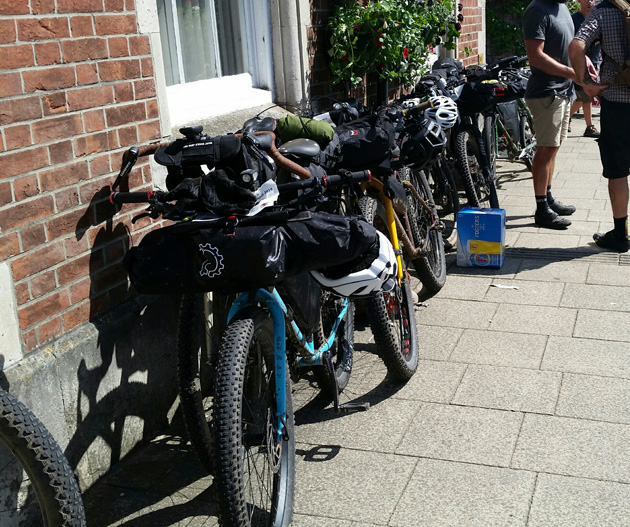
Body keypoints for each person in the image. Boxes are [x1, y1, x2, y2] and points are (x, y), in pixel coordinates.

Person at [522, 0, 594, 229]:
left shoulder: (561, 8)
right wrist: (573, 73)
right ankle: (541, 209)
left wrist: (586, 61)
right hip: (546, 93)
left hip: (563, 90)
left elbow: (568, 45)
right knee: (545, 150)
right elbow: (536, 56)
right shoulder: (537, 10)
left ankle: (548, 197)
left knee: (553, 148)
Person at [569, 0, 630, 252]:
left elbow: (576, 47)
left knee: (617, 171)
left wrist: (586, 83)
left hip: (617, 105)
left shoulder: (604, 11)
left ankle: (619, 234)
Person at [568, 0, 601, 137]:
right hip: (578, 64)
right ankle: (568, 119)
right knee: (583, 96)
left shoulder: (597, 17)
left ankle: (587, 125)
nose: (590, 2)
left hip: (593, 62)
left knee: (586, 96)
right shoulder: (574, 19)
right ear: (579, 1)